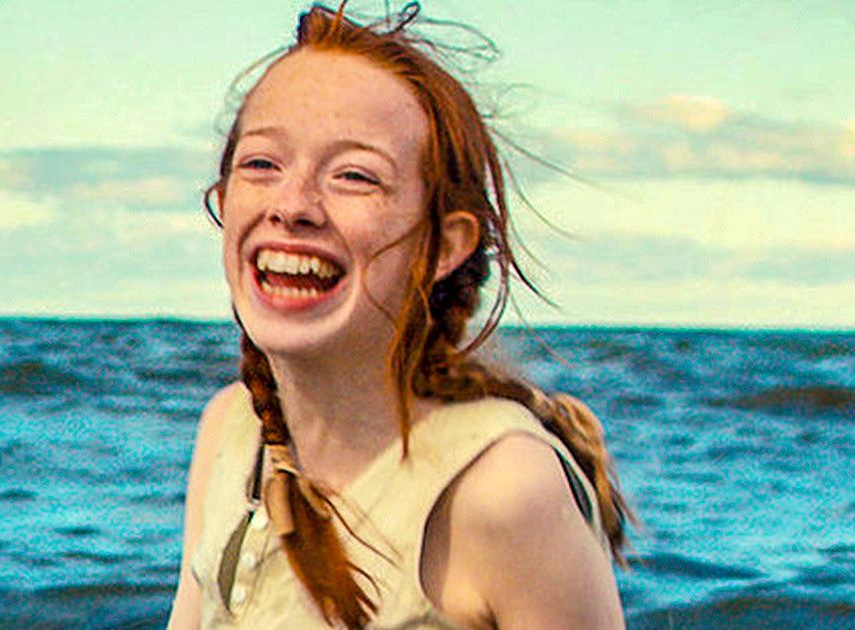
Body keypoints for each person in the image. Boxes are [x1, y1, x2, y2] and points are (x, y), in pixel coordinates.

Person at [169, 3, 631, 628]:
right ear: (225, 200)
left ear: (444, 245)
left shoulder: (502, 488)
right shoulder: (231, 429)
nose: (293, 204)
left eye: (355, 176)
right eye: (262, 165)